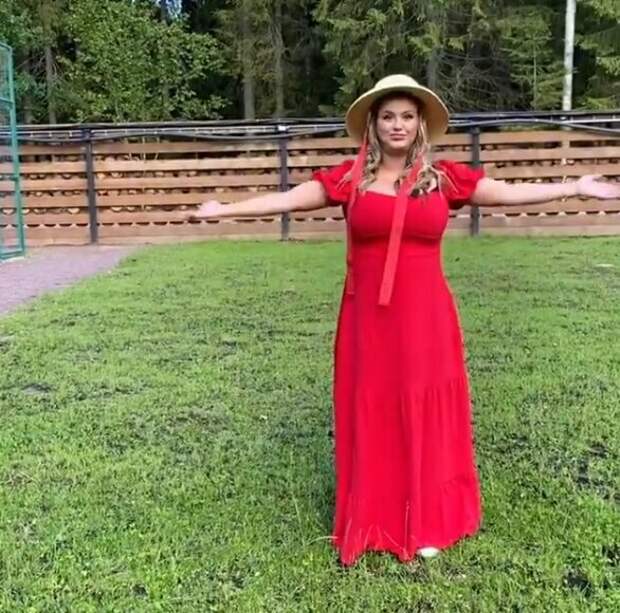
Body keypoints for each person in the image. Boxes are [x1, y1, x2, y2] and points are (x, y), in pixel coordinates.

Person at [188, 74, 620, 566]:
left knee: (426, 409)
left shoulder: (444, 178)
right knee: (373, 407)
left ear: (420, 125)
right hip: (367, 321)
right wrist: (224, 209)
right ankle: (377, 517)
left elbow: (504, 192)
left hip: (425, 318)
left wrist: (575, 187)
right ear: (374, 124)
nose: (398, 125)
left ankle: (430, 518)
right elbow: (288, 198)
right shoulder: (351, 179)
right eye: (389, 116)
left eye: (408, 116)